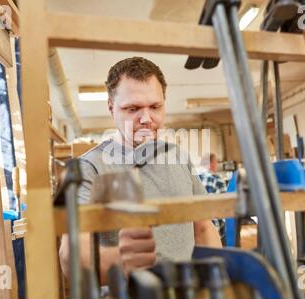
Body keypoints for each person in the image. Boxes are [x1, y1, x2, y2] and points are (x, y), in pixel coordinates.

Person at [59, 57, 221, 284]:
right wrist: (122, 261)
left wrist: (216, 282)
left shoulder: (178, 156)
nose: (147, 119)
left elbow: (203, 229)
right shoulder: (90, 168)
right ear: (111, 108)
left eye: (155, 107)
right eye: (132, 108)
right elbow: (71, 258)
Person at [198, 153, 227, 246]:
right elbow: (224, 206)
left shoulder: (196, 178)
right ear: (211, 164)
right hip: (214, 227)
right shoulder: (217, 179)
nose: (217, 165)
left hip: (197, 226)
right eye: (216, 162)